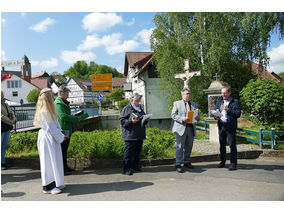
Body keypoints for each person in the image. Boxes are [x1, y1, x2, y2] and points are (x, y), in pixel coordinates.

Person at [34, 88, 68, 194]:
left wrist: (61, 133)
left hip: (51, 137)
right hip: (47, 138)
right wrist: (62, 136)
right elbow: (51, 128)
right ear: (48, 97)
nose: (54, 96)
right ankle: (48, 187)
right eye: (52, 95)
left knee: (55, 160)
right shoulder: (45, 111)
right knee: (48, 162)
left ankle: (56, 183)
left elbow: (55, 126)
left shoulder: (48, 110)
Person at [54, 85, 88, 175]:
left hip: (66, 129)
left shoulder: (62, 102)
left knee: (64, 150)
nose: (68, 95)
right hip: (62, 129)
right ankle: (62, 169)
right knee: (62, 150)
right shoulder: (58, 103)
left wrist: (75, 117)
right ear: (62, 94)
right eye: (67, 93)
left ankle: (65, 168)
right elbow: (63, 116)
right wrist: (76, 119)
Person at [119, 93, 150, 175]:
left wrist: (146, 120)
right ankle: (126, 168)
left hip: (139, 133)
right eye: (136, 100)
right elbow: (122, 121)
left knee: (137, 152)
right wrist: (130, 121)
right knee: (129, 153)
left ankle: (135, 166)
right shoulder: (127, 108)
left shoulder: (140, 108)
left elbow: (142, 119)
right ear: (132, 100)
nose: (138, 102)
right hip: (130, 135)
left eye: (139, 100)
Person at [171, 88, 200, 173]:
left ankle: (187, 162)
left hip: (191, 128)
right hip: (181, 128)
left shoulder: (194, 105)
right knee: (179, 147)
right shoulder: (177, 103)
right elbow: (173, 115)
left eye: (189, 93)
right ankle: (178, 164)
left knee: (189, 146)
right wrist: (182, 118)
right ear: (182, 95)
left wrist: (198, 118)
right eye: (187, 93)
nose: (189, 95)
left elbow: (197, 116)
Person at [214, 86, 241, 171]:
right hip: (221, 126)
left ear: (229, 93)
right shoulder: (219, 101)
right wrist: (216, 117)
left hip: (230, 126)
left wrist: (227, 109)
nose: (223, 94)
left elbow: (238, 113)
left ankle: (233, 164)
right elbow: (215, 112)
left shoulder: (235, 102)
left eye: (225, 93)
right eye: (222, 93)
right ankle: (222, 162)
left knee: (232, 145)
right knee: (222, 145)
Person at [1, 89, 16, 170]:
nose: (2, 96)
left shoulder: (5, 104)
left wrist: (14, 119)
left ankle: (3, 162)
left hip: (7, 126)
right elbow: (1, 117)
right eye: (1, 94)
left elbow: (11, 112)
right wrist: (11, 121)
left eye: (2, 94)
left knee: (4, 146)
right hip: (2, 127)